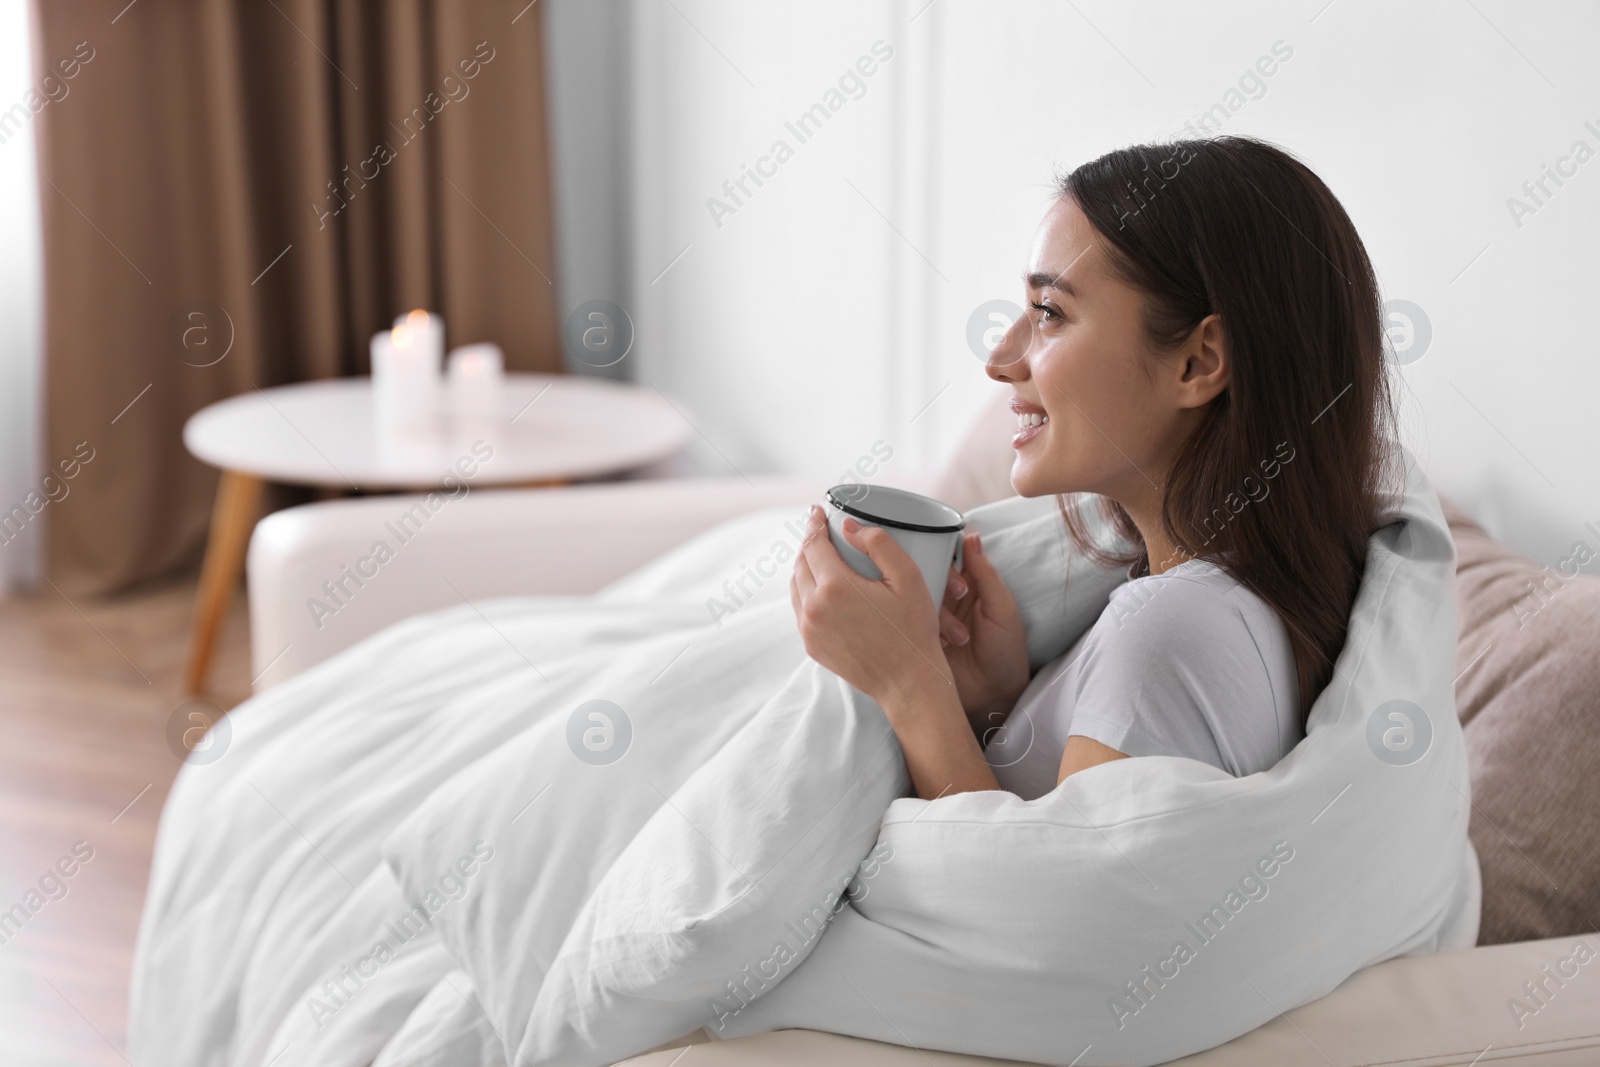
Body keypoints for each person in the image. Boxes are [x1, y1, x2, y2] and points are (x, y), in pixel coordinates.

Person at [790, 136, 1396, 801]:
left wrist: (909, 682)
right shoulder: (1216, 606)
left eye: (1050, 312)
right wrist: (1001, 705)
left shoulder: (1170, 633)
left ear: (1197, 363)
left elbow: (1023, 902)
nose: (999, 359)